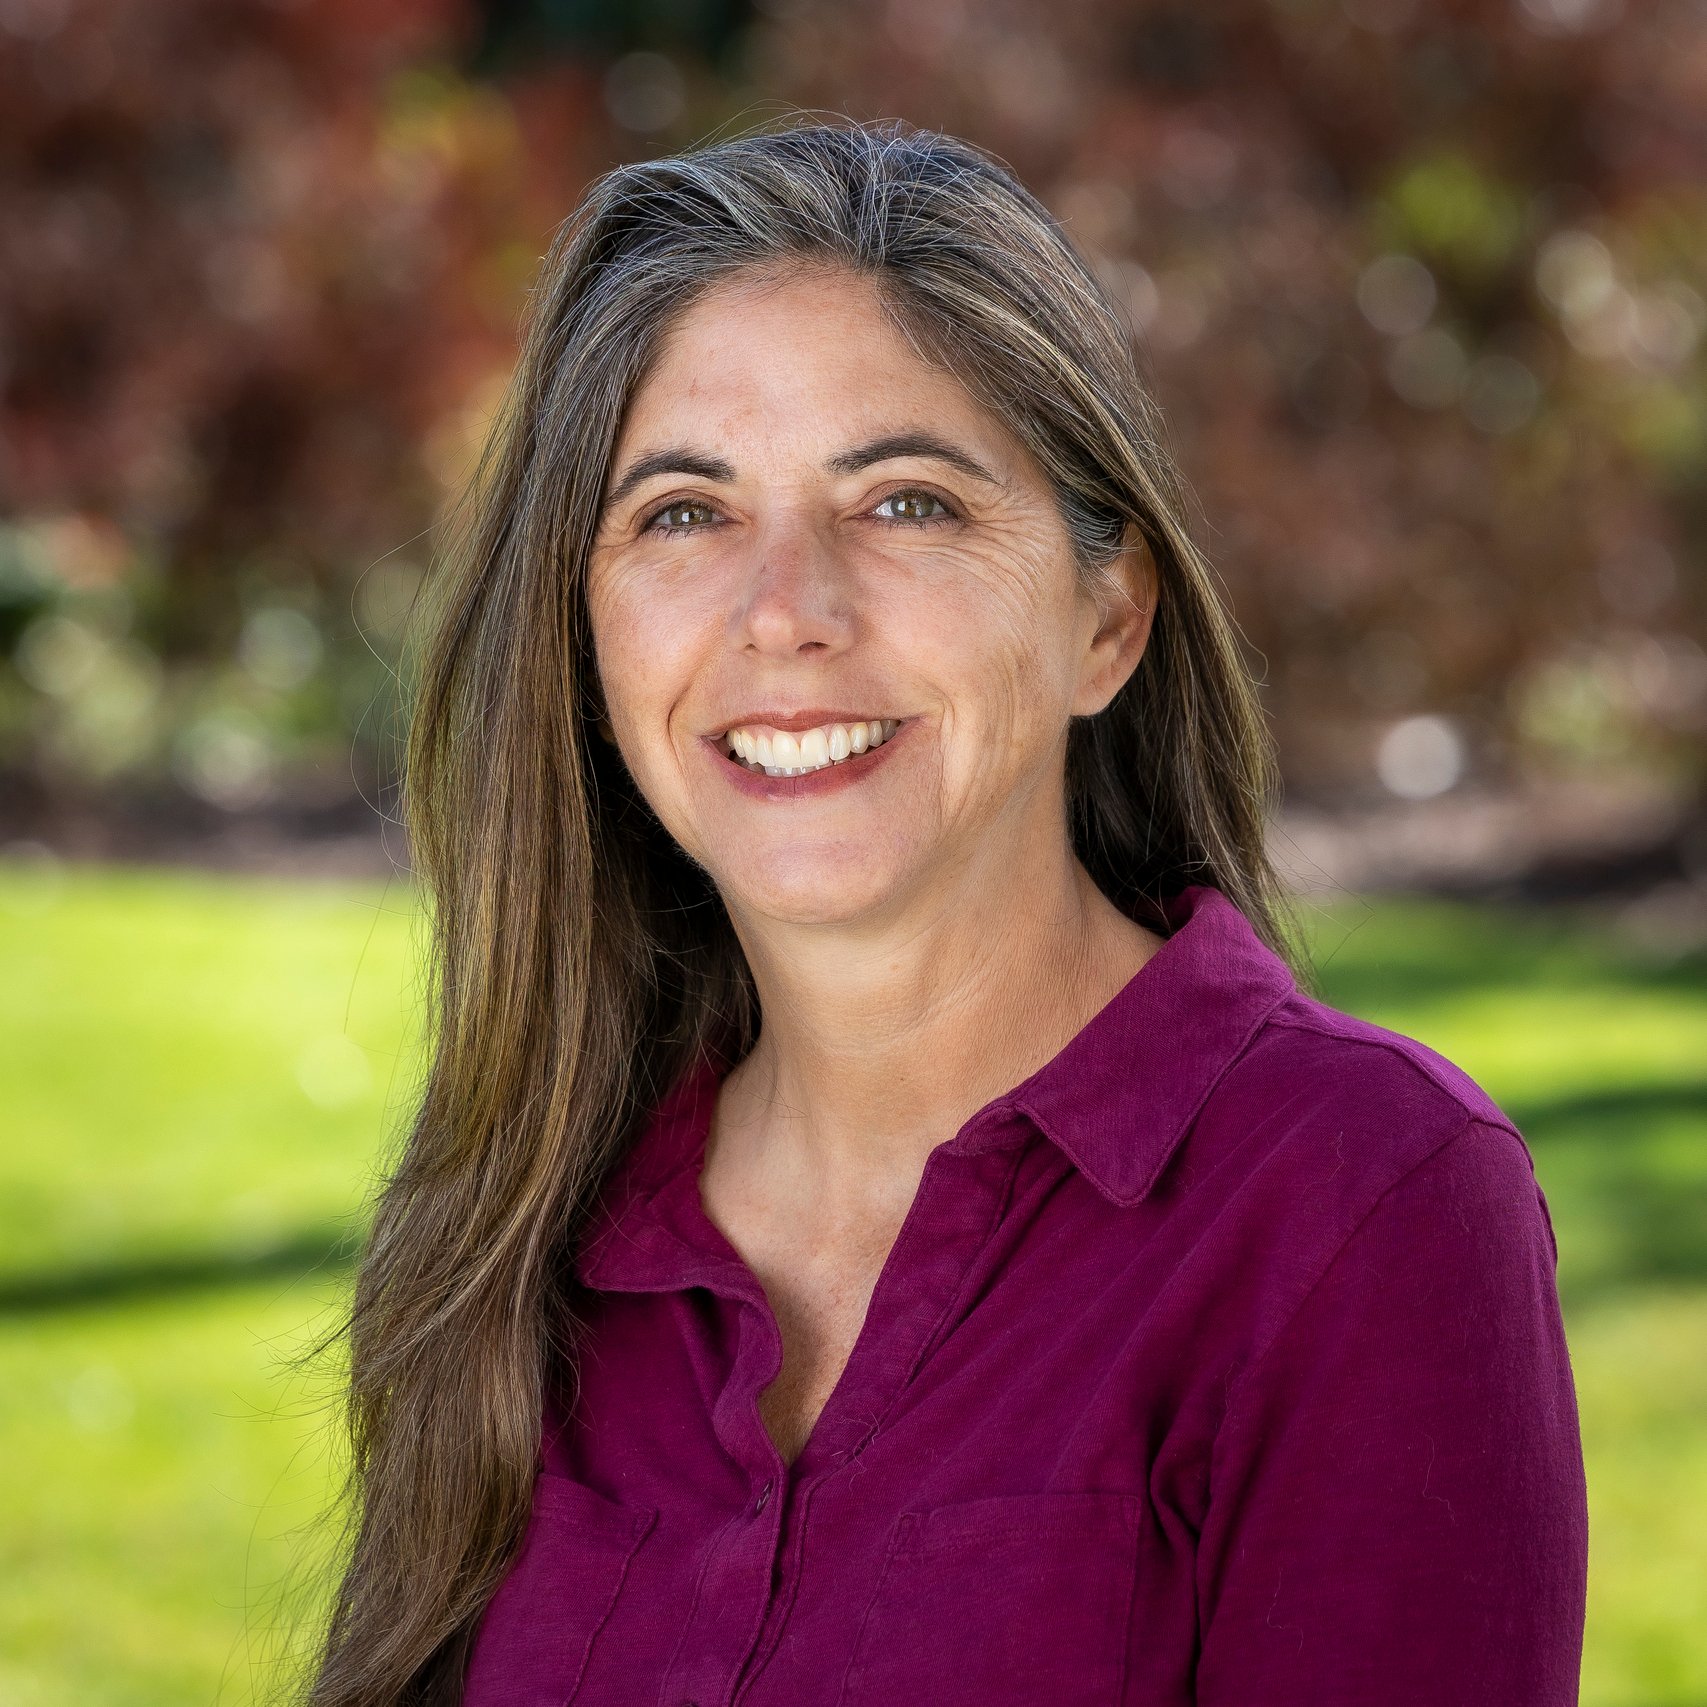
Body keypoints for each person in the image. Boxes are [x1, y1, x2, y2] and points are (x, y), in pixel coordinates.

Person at [303, 116, 1588, 1707]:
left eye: (905, 502)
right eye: (685, 514)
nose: (786, 611)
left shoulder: (1364, 1204)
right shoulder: (532, 1218)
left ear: (1106, 618)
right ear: (582, 631)